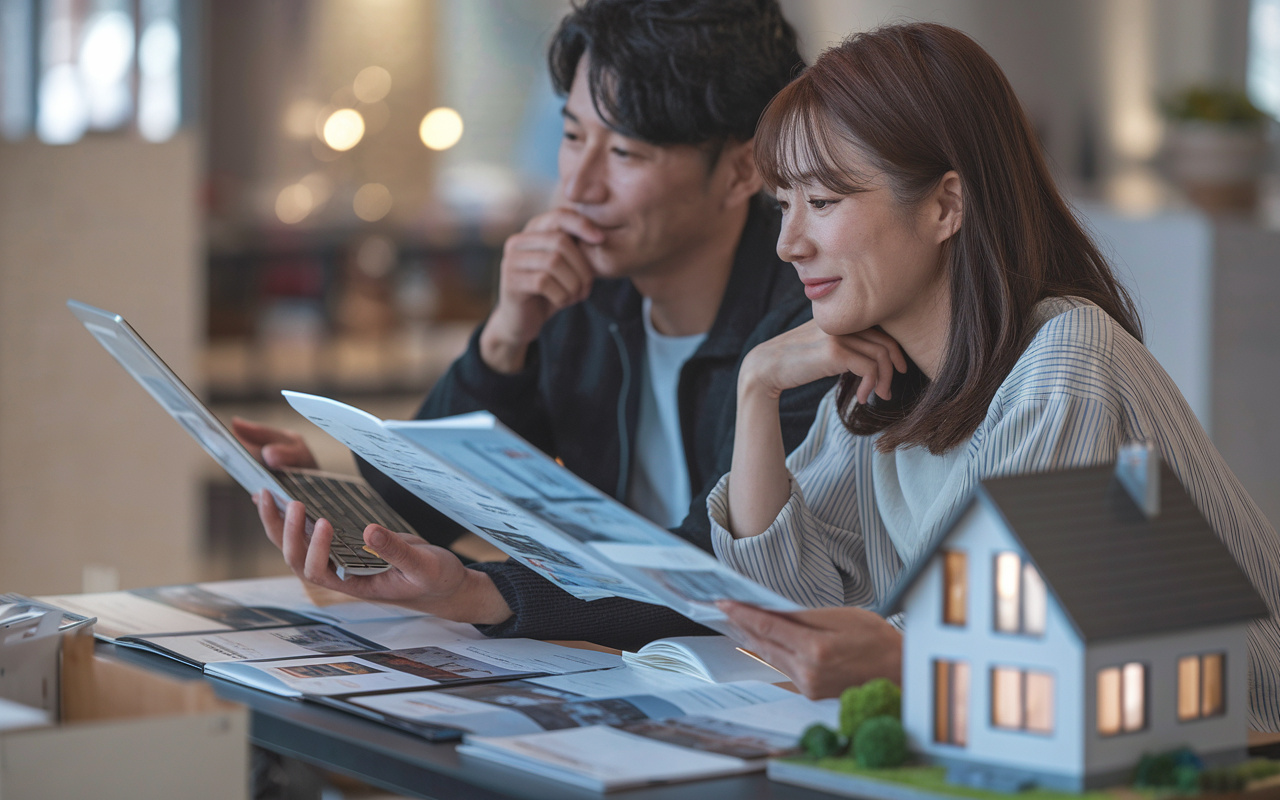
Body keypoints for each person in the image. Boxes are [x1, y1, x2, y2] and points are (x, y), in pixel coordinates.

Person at [705, 22, 1280, 732]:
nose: (789, 243)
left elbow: (1000, 643)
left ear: (946, 206)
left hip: (1229, 748)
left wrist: (885, 652)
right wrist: (757, 387)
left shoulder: (1067, 361)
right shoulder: (883, 377)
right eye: (782, 205)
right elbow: (783, 605)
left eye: (822, 202)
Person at [235, 0, 831, 649]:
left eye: (625, 151)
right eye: (573, 136)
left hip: (762, 677)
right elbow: (413, 521)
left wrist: (483, 592)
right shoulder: (582, 294)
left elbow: (725, 567)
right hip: (610, 668)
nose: (579, 185)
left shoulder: (809, 319)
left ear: (742, 169)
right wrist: (504, 340)